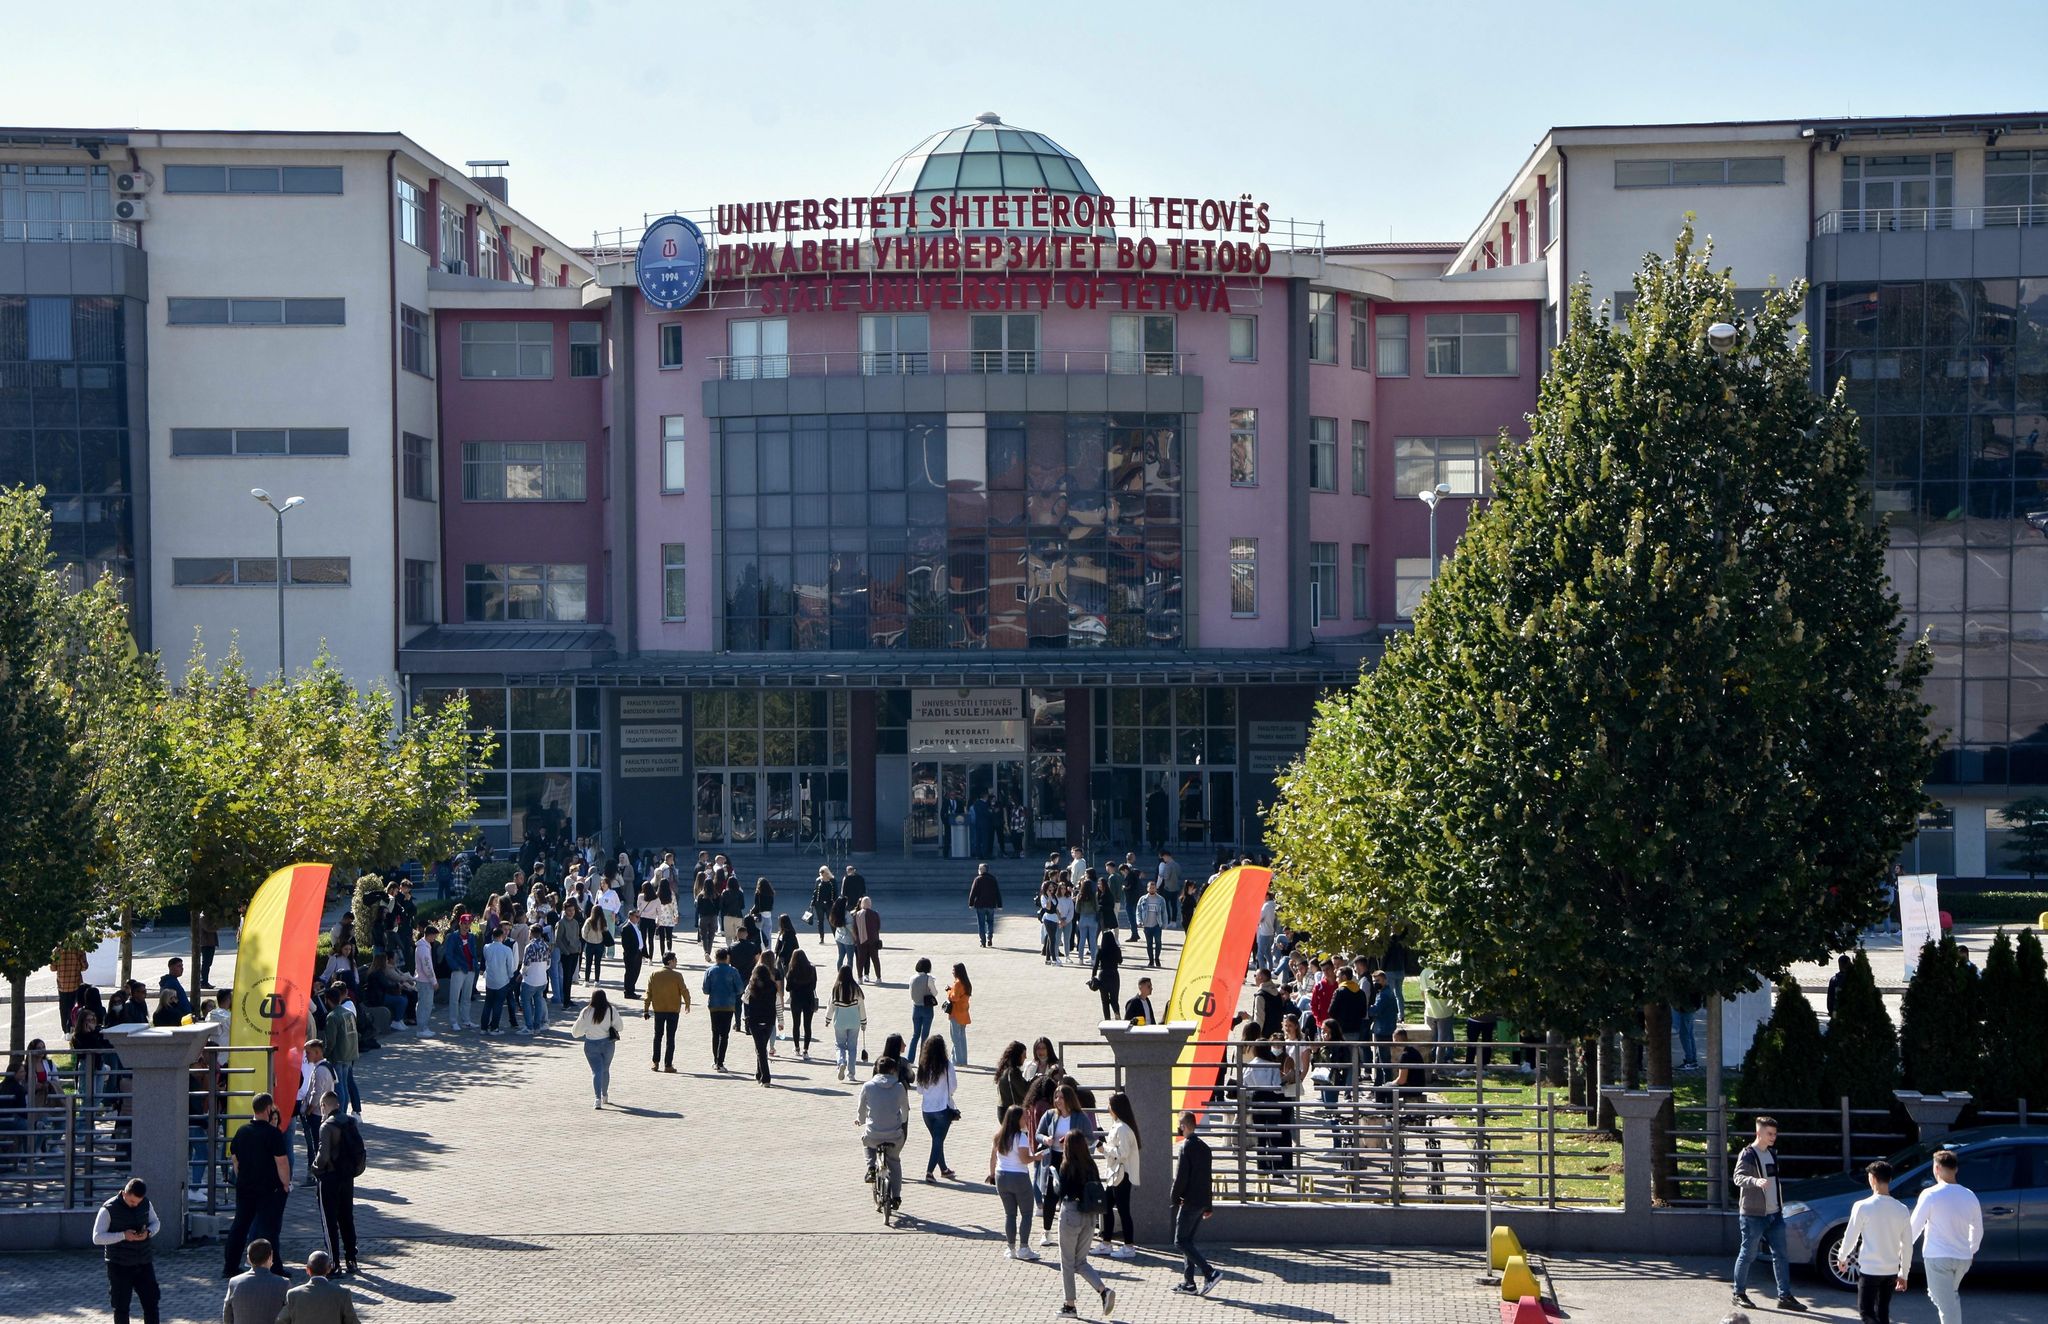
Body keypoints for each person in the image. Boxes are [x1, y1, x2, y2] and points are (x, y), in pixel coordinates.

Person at [1731, 1116, 1805, 1312]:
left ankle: (1785, 1296)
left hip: (1775, 1213)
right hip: (1753, 1215)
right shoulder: (1748, 1154)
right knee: (1748, 1254)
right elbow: (1738, 1177)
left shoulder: (1771, 1153)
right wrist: (1755, 1181)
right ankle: (1738, 1294)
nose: (1773, 1137)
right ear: (1759, 1133)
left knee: (1781, 1255)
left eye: (1775, 1134)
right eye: (1769, 1134)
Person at [1908, 1148, 1982, 1324]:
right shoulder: (1970, 1195)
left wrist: (1901, 1251)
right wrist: (1971, 1250)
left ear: (1936, 1168)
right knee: (1948, 1297)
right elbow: (1977, 1229)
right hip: (1962, 1258)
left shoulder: (1930, 1194)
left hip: (1937, 1257)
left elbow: (1915, 1226)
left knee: (1946, 1304)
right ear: (1956, 1169)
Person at [223, 1093, 292, 1279]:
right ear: (268, 1109)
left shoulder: (242, 1131)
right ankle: (274, 1267)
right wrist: (286, 1184)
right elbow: (282, 1162)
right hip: (269, 1189)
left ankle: (230, 1266)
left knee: (239, 1226)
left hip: (245, 1187)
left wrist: (242, 1178)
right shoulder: (273, 1134)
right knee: (269, 1229)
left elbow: (235, 1159)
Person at [1049, 1132, 1116, 1319]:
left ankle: (1069, 1305)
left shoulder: (1067, 1165)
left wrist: (1055, 1180)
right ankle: (1103, 1291)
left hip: (1071, 1214)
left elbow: (1061, 1191)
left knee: (1067, 1263)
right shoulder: (1091, 1164)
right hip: (1090, 1216)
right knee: (1080, 1261)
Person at [1836, 1159, 1912, 1324]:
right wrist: (1904, 1273)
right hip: (1891, 1269)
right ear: (1890, 1179)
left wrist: (1842, 1256)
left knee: (1867, 1313)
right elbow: (1907, 1245)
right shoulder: (1902, 1209)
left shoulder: (1862, 1206)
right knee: (1883, 1312)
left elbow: (1851, 1236)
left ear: (1872, 1178)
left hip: (1870, 1269)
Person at [95, 1177, 161, 1324]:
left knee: (151, 1304)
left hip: (144, 1261)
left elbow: (156, 1222)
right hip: (119, 1265)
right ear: (124, 1193)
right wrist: (123, 1235)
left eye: (138, 1202)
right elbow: (97, 1237)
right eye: (132, 1202)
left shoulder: (146, 1203)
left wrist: (148, 1232)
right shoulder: (108, 1209)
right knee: (121, 1308)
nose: (135, 1205)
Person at [1170, 1110, 1222, 1296]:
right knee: (1188, 1241)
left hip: (1189, 1202)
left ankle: (1210, 1272)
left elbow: (1181, 1177)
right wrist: (1208, 1205)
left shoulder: (1186, 1147)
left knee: (1180, 1241)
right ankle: (1189, 1283)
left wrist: (1174, 1197)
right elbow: (1208, 1179)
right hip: (1201, 1202)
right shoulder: (1205, 1147)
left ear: (1183, 1126)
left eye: (1179, 1125)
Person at [311, 1091, 361, 1276]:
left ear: (324, 1106)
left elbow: (323, 1156)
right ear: (338, 1104)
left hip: (329, 1178)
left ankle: (333, 1263)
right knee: (347, 1217)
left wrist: (314, 1169)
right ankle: (351, 1259)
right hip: (347, 1177)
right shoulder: (350, 1122)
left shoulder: (326, 1126)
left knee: (329, 1221)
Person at [989, 1104, 1042, 1261]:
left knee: (1010, 1214)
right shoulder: (1021, 1137)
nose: (1027, 1119)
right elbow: (1024, 1159)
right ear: (1016, 1120)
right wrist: (1037, 1157)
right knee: (1026, 1213)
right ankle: (1024, 1248)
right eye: (1024, 1117)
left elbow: (992, 1158)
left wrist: (991, 1175)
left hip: (1001, 1176)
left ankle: (1010, 1248)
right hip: (1019, 1177)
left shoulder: (998, 1136)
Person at [857, 1056, 909, 1215]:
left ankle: (871, 1168)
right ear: (893, 1070)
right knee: (894, 1162)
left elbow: (861, 1110)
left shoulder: (868, 1086)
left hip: (873, 1134)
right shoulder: (899, 1087)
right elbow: (905, 1110)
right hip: (894, 1135)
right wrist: (901, 1122)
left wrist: (860, 1120)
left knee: (866, 1143)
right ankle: (896, 1197)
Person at [1096, 1091, 1141, 1259]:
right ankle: (1106, 1243)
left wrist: (1104, 1148)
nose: (1108, 1108)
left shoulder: (1122, 1128)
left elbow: (1122, 1153)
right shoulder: (1120, 1125)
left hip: (1121, 1174)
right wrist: (1106, 1149)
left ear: (1115, 1107)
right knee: (1107, 1207)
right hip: (1117, 1174)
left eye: (1110, 1105)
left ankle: (1128, 1246)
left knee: (1122, 1210)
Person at [914, 1033, 961, 1181]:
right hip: (942, 1109)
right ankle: (929, 1172)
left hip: (926, 1111)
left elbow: (919, 1090)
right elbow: (953, 1086)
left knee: (937, 1140)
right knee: (938, 1141)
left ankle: (944, 1169)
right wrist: (945, 1092)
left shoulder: (923, 1066)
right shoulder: (947, 1065)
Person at [571, 989, 622, 1108]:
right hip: (608, 1044)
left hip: (591, 1044)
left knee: (596, 1071)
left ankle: (597, 1099)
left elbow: (575, 1032)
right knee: (605, 1069)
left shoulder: (586, 1011)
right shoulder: (611, 1010)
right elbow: (620, 1027)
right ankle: (605, 1095)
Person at [275, 1252, 358, 1324]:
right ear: (329, 1269)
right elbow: (352, 1321)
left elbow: (281, 1321)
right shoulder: (342, 1294)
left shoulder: (293, 1294)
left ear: (307, 1270)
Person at [643, 952, 692, 1073]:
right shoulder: (677, 975)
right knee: (671, 1038)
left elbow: (649, 993)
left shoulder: (654, 974)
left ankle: (655, 1062)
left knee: (657, 1036)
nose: (676, 962)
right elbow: (684, 990)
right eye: (675, 960)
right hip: (673, 1010)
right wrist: (687, 1004)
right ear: (670, 961)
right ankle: (668, 1065)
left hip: (659, 1010)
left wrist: (646, 1009)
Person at [295, 1040, 338, 1170]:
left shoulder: (320, 1070)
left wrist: (309, 1109)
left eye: (308, 1053)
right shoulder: (327, 1066)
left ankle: (317, 1170)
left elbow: (317, 1093)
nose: (306, 1056)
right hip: (323, 1111)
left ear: (317, 1052)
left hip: (317, 1114)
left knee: (316, 1144)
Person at [223, 1239, 289, 1324]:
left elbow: (227, 1314)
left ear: (248, 1259)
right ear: (270, 1256)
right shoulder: (283, 1283)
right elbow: (290, 1314)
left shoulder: (234, 1282)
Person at [319, 986, 362, 1115]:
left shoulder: (332, 1016)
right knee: (344, 1085)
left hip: (337, 1055)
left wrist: (325, 1054)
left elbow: (331, 1040)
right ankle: (343, 1112)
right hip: (349, 1053)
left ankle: (340, 1113)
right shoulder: (348, 1013)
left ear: (327, 1000)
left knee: (339, 1086)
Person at [702, 947, 743, 1072]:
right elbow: (740, 989)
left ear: (716, 958)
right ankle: (720, 1062)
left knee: (715, 1033)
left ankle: (715, 1060)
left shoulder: (709, 971)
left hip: (714, 1005)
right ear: (727, 958)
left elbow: (705, 990)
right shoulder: (733, 971)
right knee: (724, 1035)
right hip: (728, 1005)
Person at [742, 961, 779, 1087]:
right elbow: (778, 1003)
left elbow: (744, 999)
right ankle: (759, 1073)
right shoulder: (773, 986)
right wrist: (781, 1020)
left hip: (755, 1020)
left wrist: (749, 986)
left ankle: (766, 1078)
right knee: (761, 1047)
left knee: (761, 1049)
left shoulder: (752, 986)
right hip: (769, 1020)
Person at [443, 918, 480, 1030]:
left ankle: (466, 1020)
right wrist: (455, 967)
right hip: (459, 969)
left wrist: (475, 965)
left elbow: (474, 952)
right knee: (454, 997)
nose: (466, 926)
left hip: (470, 969)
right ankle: (454, 1021)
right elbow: (448, 954)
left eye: (468, 924)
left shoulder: (471, 937)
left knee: (467, 997)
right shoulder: (453, 936)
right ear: (460, 924)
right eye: (464, 924)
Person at [481, 928, 517, 1034]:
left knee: (488, 1004)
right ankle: (494, 1028)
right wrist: (510, 976)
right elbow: (510, 966)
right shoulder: (507, 949)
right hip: (502, 980)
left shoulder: (486, 947)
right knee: (498, 1004)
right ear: (502, 936)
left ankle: (483, 1028)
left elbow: (486, 960)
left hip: (490, 980)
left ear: (493, 936)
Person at [785, 949, 819, 1058]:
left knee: (796, 1024)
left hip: (796, 1000)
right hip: (808, 999)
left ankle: (797, 1048)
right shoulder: (812, 969)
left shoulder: (792, 970)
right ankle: (805, 1050)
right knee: (807, 1025)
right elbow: (814, 986)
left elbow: (787, 988)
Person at [519, 923, 551, 1034]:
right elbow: (548, 964)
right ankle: (537, 1026)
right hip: (542, 979)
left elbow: (526, 965)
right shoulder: (546, 946)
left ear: (531, 933)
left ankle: (529, 1027)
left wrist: (521, 973)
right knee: (538, 1002)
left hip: (530, 980)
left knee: (526, 1002)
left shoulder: (530, 946)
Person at [908, 958, 939, 1061]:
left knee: (915, 1035)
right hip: (927, 1008)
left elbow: (911, 993)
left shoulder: (912, 978)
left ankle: (910, 1058)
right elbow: (935, 993)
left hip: (916, 1007)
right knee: (925, 1036)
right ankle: (922, 1059)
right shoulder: (929, 978)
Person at [968, 863, 1002, 948]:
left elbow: (973, 892)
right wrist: (999, 905)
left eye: (979, 869)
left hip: (980, 905)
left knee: (981, 924)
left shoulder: (977, 879)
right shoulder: (992, 879)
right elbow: (997, 892)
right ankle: (989, 938)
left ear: (981, 870)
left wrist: (971, 903)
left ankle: (983, 942)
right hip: (991, 904)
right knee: (990, 922)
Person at [994, 1040, 1031, 1121]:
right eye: (1024, 1055)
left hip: (1002, 1109)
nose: (1025, 1057)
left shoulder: (1003, 1068)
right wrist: (1033, 1082)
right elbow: (1024, 1092)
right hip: (1011, 1112)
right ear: (1018, 1056)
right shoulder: (1013, 1072)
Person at [1091, 929, 1123, 1022]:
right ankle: (1117, 1014)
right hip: (1114, 974)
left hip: (1103, 975)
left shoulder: (1101, 950)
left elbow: (1096, 965)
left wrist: (1093, 976)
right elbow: (1120, 961)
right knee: (1114, 999)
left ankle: (1107, 1019)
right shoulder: (1116, 949)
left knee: (1104, 1001)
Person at [945, 963, 973, 1066]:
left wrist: (948, 991)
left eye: (953, 970)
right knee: (962, 1037)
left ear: (958, 972)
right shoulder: (967, 983)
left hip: (956, 1013)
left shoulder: (958, 983)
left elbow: (954, 998)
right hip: (964, 1013)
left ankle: (958, 1061)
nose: (952, 972)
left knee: (955, 1038)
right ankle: (962, 1059)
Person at [852, 897, 884, 982]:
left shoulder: (856, 915)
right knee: (875, 959)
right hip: (873, 940)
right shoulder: (875, 914)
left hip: (861, 940)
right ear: (870, 904)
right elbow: (878, 927)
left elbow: (854, 928)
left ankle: (860, 978)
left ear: (862, 904)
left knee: (861, 960)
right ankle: (878, 978)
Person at [1136, 882, 1167, 967]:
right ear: (1147, 888)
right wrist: (1139, 921)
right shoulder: (1143, 899)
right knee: (1149, 944)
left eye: (1153, 888)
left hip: (1157, 925)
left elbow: (1164, 912)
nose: (1152, 889)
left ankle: (1157, 958)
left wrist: (1164, 923)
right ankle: (1151, 960)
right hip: (1147, 925)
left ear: (1156, 889)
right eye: (1150, 888)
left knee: (1158, 942)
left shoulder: (1160, 899)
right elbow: (1138, 911)